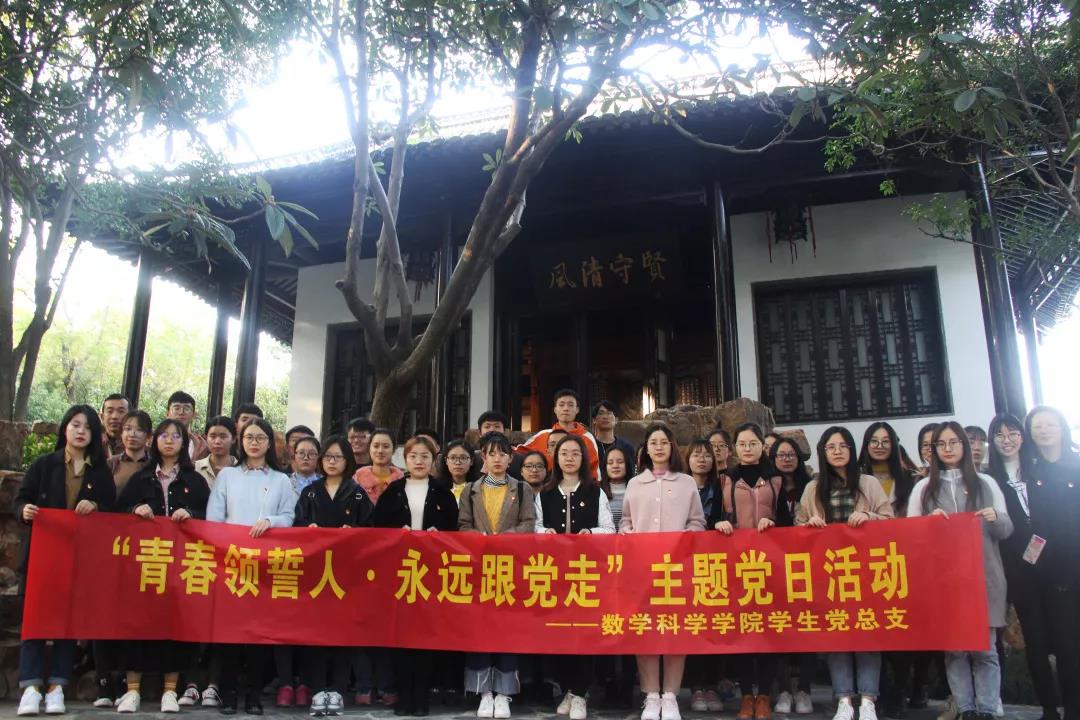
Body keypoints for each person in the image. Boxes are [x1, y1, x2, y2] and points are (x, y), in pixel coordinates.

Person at [907, 421, 1012, 720]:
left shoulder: (986, 483)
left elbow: (1007, 529)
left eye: (954, 442)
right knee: (955, 650)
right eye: (941, 444)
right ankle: (965, 708)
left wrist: (995, 517)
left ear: (964, 446)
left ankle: (987, 708)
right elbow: (910, 535)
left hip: (984, 577)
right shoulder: (923, 488)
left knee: (985, 649)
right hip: (944, 582)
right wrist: (928, 524)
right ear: (933, 450)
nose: (948, 448)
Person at [16, 405, 115, 717]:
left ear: (95, 434)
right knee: (35, 618)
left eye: (87, 427)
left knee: (68, 622)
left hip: (80, 559)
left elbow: (112, 510)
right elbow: (22, 499)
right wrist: (25, 511)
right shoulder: (45, 464)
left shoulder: (99, 472)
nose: (81, 431)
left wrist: (95, 505)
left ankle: (57, 687)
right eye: (75, 424)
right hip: (43, 556)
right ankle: (31, 687)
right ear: (65, 428)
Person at [795, 426, 893, 720]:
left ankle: (868, 700)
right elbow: (797, 527)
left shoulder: (868, 483)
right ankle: (844, 699)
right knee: (836, 637)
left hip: (866, 572)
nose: (837, 452)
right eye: (831, 447)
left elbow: (890, 521)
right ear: (823, 453)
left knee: (867, 635)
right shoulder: (813, 488)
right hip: (829, 574)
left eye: (843, 446)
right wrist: (809, 525)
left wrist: (869, 516)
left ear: (852, 449)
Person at [116, 419, 211, 714]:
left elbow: (209, 516)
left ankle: (170, 690)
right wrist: (135, 509)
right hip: (145, 563)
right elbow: (116, 514)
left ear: (184, 443)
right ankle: (132, 690)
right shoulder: (141, 477)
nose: (169, 441)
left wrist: (190, 513)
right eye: (164, 435)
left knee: (175, 624)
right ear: (154, 440)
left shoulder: (194, 480)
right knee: (137, 623)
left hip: (181, 565)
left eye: (176, 436)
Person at [206, 417, 297, 715]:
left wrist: (271, 521)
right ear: (240, 441)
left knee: (259, 633)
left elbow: (289, 517)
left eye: (260, 438)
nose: (254, 443)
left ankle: (254, 694)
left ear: (269, 443)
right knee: (230, 633)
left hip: (266, 565)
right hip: (231, 562)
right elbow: (214, 519)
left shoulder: (281, 480)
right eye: (249, 437)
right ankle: (229, 693)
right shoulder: (228, 476)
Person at [620, 423, 706, 720]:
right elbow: (625, 522)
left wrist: (685, 539)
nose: (658, 447)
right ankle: (651, 695)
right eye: (653, 442)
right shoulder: (635, 484)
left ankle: (670, 695)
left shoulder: (686, 482)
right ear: (645, 449)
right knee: (645, 630)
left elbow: (697, 522)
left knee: (674, 630)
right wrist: (628, 533)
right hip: (642, 570)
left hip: (677, 570)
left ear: (672, 448)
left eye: (664, 442)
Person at [373, 436, 458, 717]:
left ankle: (421, 694)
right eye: (413, 456)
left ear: (433, 460)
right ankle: (404, 694)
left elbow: (455, 531)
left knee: (426, 635)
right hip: (400, 573)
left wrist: (439, 535)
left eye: (424, 456)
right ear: (404, 460)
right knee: (401, 634)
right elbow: (378, 528)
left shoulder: (443, 493)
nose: (419, 461)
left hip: (432, 574)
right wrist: (397, 534)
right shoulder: (393, 491)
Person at [710, 423, 790, 720]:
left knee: (769, 630)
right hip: (736, 564)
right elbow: (713, 518)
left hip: (770, 565)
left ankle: (764, 695)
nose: (747, 448)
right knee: (742, 631)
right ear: (735, 448)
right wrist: (719, 524)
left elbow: (788, 523)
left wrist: (774, 524)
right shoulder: (725, 480)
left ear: (761, 446)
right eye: (742, 443)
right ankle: (746, 696)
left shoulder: (775, 480)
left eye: (752, 443)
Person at [534, 434, 614, 720]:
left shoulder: (595, 491)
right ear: (556, 458)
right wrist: (544, 533)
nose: (569, 458)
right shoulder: (545, 492)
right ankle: (568, 689)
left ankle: (580, 693)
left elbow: (610, 529)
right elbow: (535, 526)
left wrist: (590, 533)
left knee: (584, 631)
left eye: (575, 453)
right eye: (564, 453)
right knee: (559, 631)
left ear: (584, 459)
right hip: (554, 573)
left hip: (587, 572)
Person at [294, 436, 374, 717]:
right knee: (316, 632)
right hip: (316, 574)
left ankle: (338, 690)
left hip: (346, 575)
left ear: (347, 461)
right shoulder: (310, 492)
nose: (331, 461)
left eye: (337, 457)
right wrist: (308, 529)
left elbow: (371, 531)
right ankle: (317, 689)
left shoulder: (357, 493)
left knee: (343, 632)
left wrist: (353, 533)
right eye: (327, 456)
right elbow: (296, 525)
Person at [459, 432, 536, 719]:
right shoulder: (471, 490)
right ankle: (484, 692)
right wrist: (478, 538)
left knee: (507, 630)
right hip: (479, 569)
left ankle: (504, 693)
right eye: (492, 453)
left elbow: (528, 523)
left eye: (503, 453)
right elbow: (463, 524)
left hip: (510, 569)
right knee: (479, 630)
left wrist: (505, 538)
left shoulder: (522, 489)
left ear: (511, 457)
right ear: (483, 457)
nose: (497, 459)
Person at [986, 414, 1057, 720]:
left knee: (1066, 638)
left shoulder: (1040, 469)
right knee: (1035, 642)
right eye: (999, 435)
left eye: (1013, 433)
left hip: (1056, 566)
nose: (1007, 440)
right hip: (1017, 570)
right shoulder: (988, 479)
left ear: (1023, 436)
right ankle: (1049, 708)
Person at [857, 422, 925, 718]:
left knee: (901, 629)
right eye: (874, 440)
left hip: (903, 562)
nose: (880, 446)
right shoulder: (856, 478)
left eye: (886, 441)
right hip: (865, 563)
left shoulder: (911, 480)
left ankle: (900, 689)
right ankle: (879, 690)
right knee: (873, 630)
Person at [1025, 405, 1080, 720]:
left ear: (1062, 428)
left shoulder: (1077, 465)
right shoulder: (1030, 473)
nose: (1044, 430)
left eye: (1050, 424)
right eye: (1037, 426)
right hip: (1051, 575)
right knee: (1065, 646)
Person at [769, 438, 815, 716]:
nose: (786, 459)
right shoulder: (768, 486)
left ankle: (805, 689)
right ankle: (784, 689)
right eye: (780, 454)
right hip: (773, 566)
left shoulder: (811, 486)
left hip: (808, 565)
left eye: (791, 454)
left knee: (808, 628)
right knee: (779, 628)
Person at [517, 389, 600, 478]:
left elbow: (594, 471)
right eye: (561, 405)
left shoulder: (587, 437)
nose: (566, 408)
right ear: (555, 410)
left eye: (570, 405)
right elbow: (518, 453)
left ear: (577, 410)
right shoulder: (543, 435)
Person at [106, 409, 153, 496]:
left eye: (139, 430)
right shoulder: (111, 464)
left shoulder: (155, 465)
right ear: (121, 433)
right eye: (128, 429)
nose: (132, 434)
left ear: (148, 435)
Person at [355, 428, 404, 503]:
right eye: (376, 446)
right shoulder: (357, 480)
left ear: (393, 450)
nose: (380, 451)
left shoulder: (402, 482)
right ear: (369, 448)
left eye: (386, 446)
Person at [591, 401, 635, 478]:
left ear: (616, 420)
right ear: (594, 420)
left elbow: (631, 475)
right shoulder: (589, 445)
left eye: (609, 413)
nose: (605, 417)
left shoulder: (627, 447)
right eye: (601, 413)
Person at [195, 416, 238, 488]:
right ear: (206, 438)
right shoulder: (195, 468)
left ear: (234, 439)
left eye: (223, 437)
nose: (217, 441)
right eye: (213, 436)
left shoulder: (243, 471)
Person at [166, 391, 209, 460]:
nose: (181, 412)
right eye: (176, 408)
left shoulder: (202, 445)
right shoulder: (156, 440)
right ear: (167, 414)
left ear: (194, 415)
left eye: (186, 409)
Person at [602, 445, 634, 529]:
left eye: (620, 462)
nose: (615, 466)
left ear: (627, 465)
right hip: (605, 537)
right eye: (610, 463)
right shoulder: (598, 491)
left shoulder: (636, 488)